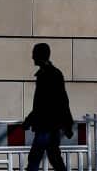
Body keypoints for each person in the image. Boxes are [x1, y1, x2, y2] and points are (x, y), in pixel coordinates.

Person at [23, 43, 74, 171]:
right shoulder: (53, 74)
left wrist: (29, 120)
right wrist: (67, 124)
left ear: (39, 55)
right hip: (51, 126)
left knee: (36, 158)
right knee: (54, 157)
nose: (32, 57)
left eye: (34, 53)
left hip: (45, 126)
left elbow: (45, 104)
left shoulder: (47, 75)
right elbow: (62, 101)